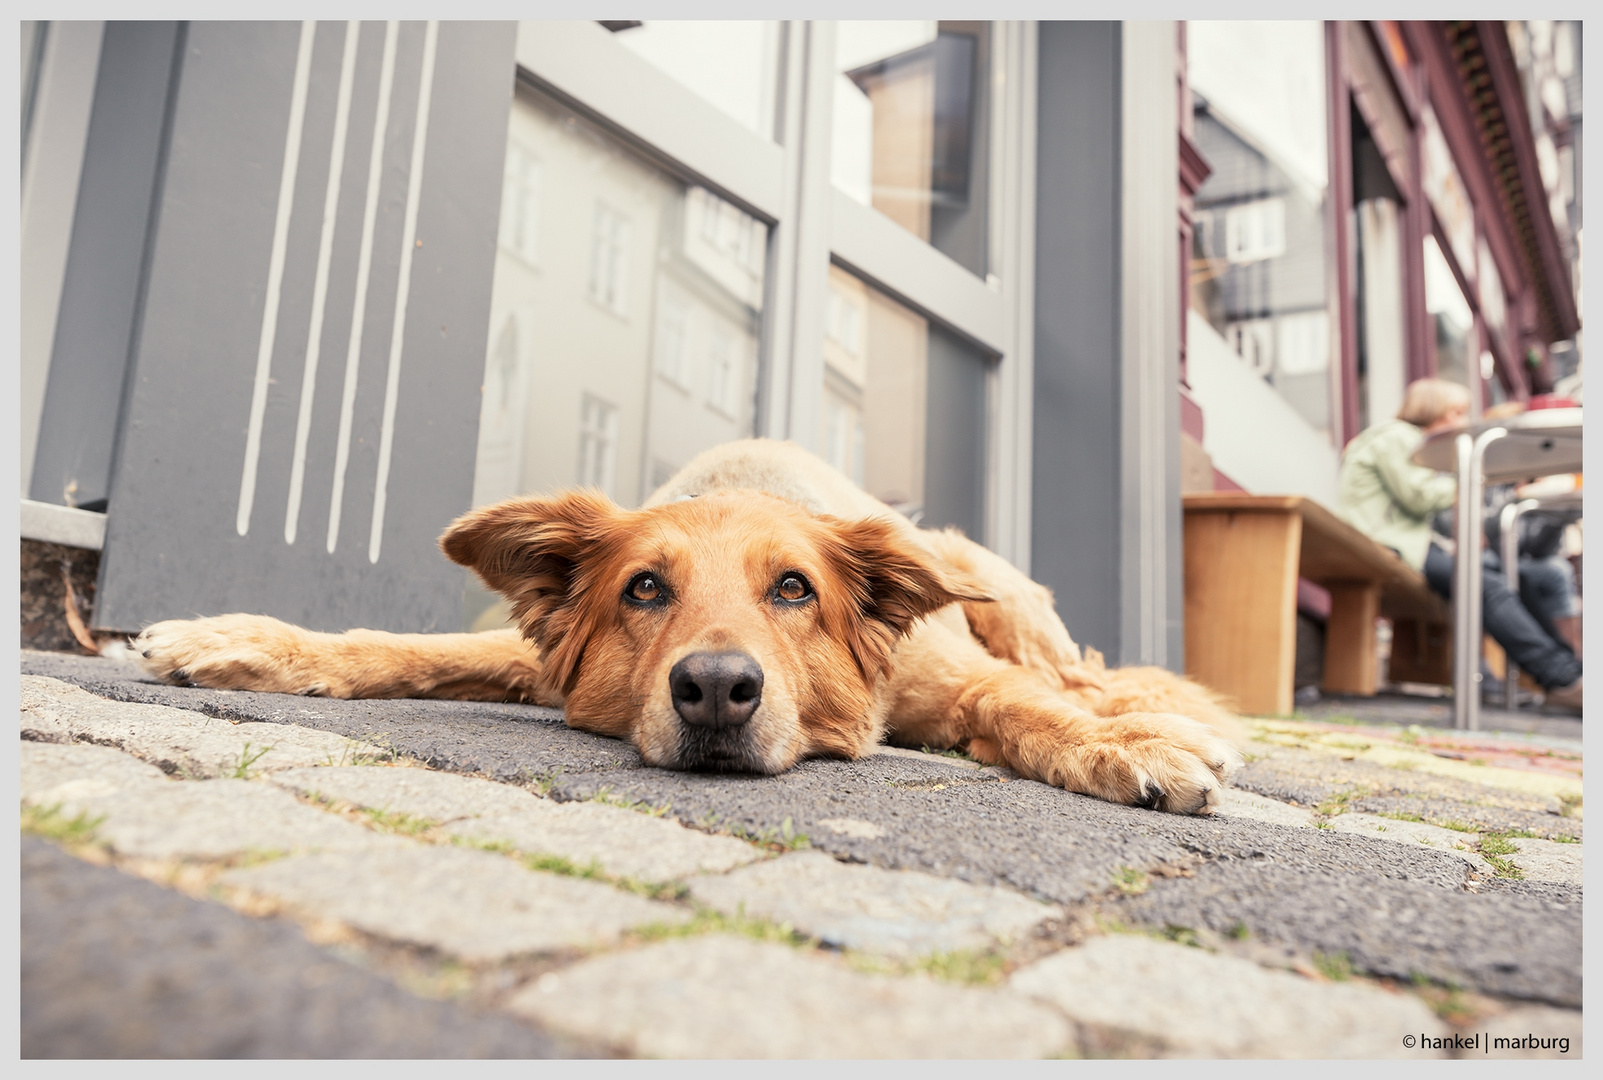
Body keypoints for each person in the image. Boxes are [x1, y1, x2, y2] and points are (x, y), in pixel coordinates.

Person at [1336, 378, 1582, 711]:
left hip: (1410, 541)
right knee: (1486, 582)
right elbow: (1419, 497)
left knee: (1508, 576)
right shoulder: (1396, 437)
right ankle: (1561, 678)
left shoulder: (1412, 443)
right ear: (1432, 411)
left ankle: (1570, 673)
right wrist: (1470, 480)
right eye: (1457, 412)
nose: (1464, 421)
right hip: (1386, 542)